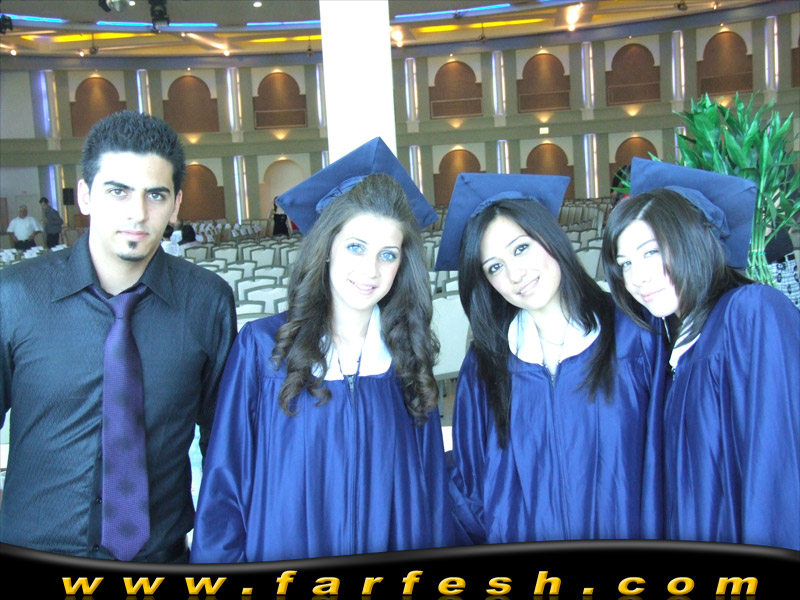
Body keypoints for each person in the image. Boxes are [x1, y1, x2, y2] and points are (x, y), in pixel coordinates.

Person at [190, 137, 456, 562]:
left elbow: (430, 494)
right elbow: (225, 482)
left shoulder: (405, 358)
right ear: (327, 247)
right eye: (355, 247)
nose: (370, 270)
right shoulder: (264, 350)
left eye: (388, 255)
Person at [0, 110, 237, 562]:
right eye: (118, 191)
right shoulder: (14, 297)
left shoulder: (207, 302)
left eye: (155, 195)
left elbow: (224, 447)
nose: (137, 213)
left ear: (176, 205)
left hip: (160, 560)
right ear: (85, 196)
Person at [435, 173, 663, 544]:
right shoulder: (484, 366)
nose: (515, 274)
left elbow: (669, 461)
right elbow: (473, 484)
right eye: (494, 267)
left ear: (549, 237)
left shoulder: (634, 334)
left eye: (520, 248)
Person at [602, 157, 800, 550]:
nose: (637, 277)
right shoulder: (672, 345)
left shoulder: (751, 312)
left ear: (693, 240)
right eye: (625, 264)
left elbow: (778, 465)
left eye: (651, 253)